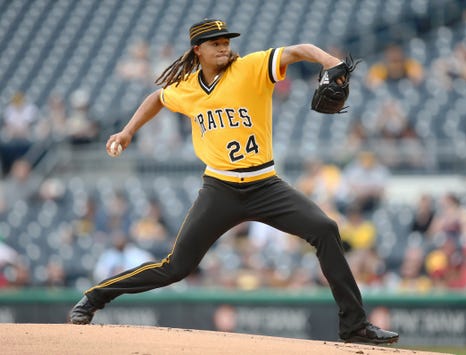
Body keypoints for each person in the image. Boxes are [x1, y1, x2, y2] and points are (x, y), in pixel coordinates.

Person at [68, 18, 398, 344]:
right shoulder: (188, 89)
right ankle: (95, 297)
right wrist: (127, 132)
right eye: (216, 42)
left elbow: (298, 51)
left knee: (325, 229)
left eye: (226, 40)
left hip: (265, 184)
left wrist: (329, 61)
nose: (224, 46)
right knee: (176, 267)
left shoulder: (251, 68)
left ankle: (355, 326)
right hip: (220, 188)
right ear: (197, 50)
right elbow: (157, 98)